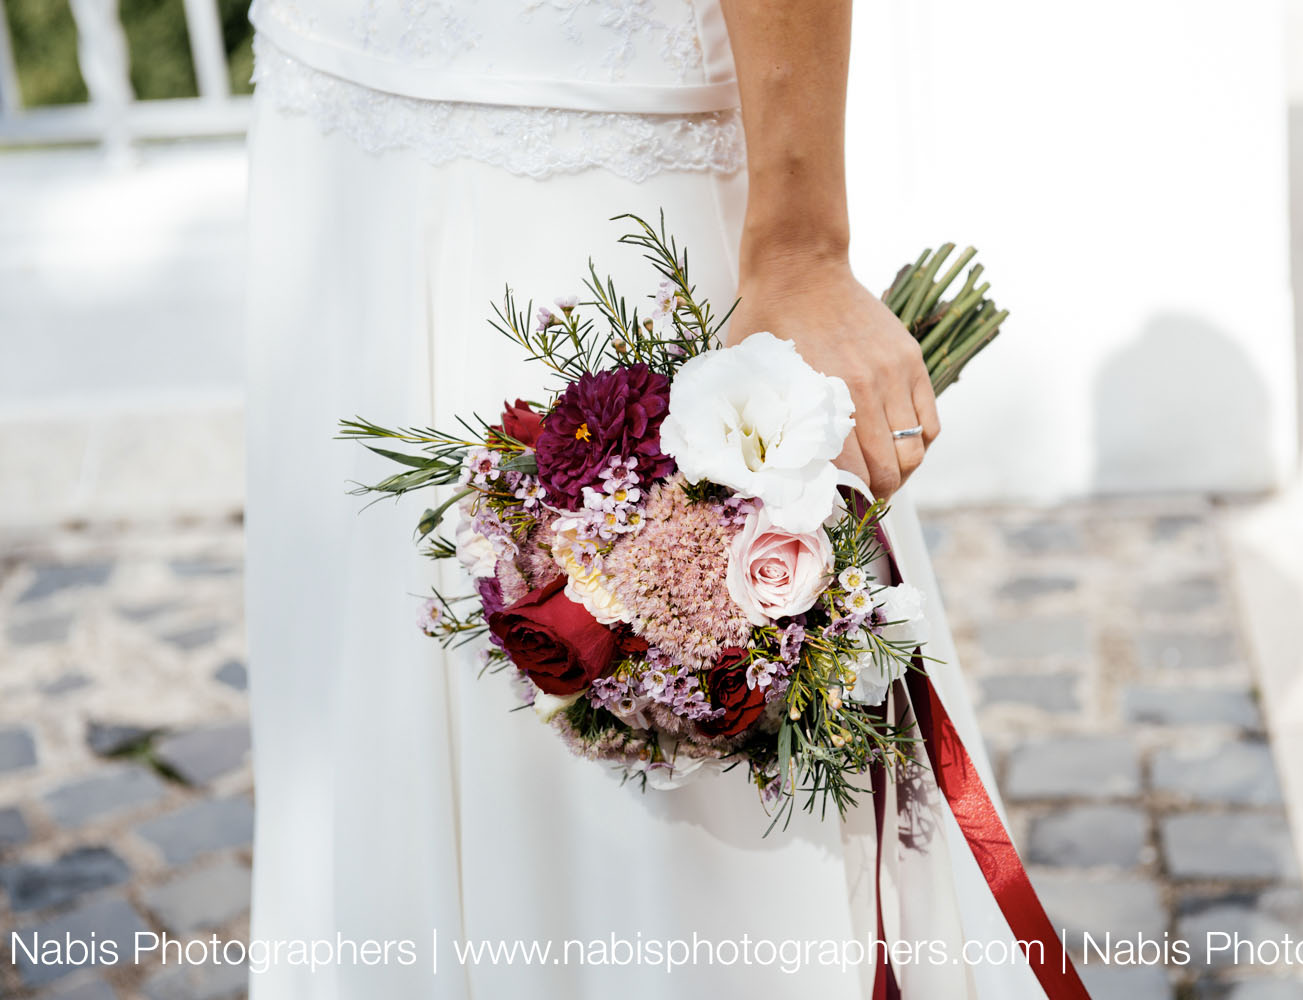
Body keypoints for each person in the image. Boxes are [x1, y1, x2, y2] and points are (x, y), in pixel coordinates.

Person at [245, 1, 1043, 996]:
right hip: (335, 149)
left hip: (600, 168)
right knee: (370, 700)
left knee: (675, 847)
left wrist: (799, 247)